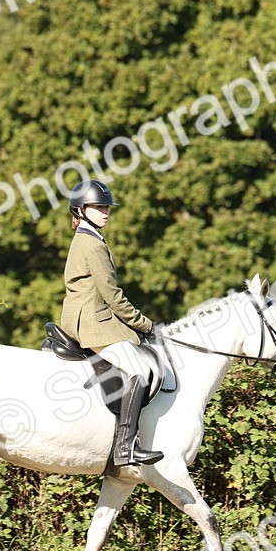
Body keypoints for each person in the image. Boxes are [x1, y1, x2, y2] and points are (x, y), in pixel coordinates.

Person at [60, 180, 163, 466]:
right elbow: (113, 296)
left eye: (106, 207)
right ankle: (125, 447)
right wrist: (146, 325)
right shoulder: (92, 245)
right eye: (99, 207)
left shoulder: (87, 238)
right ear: (80, 210)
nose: (106, 212)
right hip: (92, 321)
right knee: (140, 370)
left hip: (85, 316)